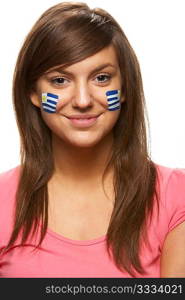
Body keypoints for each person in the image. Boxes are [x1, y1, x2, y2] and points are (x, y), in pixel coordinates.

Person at [0, 1, 185, 278]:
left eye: (101, 78)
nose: (83, 101)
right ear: (33, 92)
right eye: (60, 80)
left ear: (124, 88)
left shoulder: (175, 196)